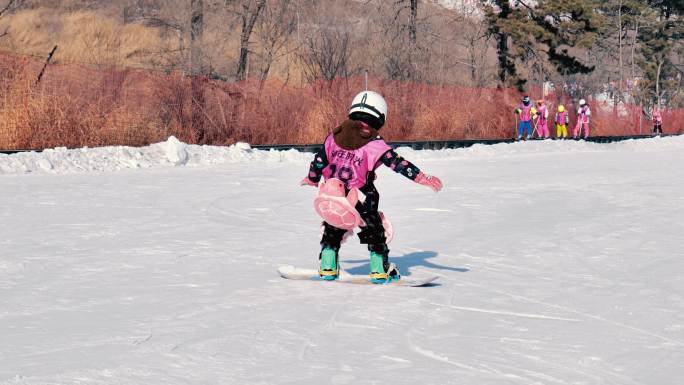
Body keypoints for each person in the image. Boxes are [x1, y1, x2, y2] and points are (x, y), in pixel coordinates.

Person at [300, 90, 443, 283]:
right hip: (361, 195)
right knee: (374, 229)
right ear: (380, 117)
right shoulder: (375, 143)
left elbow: (318, 160)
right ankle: (379, 269)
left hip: (334, 193)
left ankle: (328, 265)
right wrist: (421, 177)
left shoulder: (334, 136)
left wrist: (312, 178)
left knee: (334, 225)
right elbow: (398, 163)